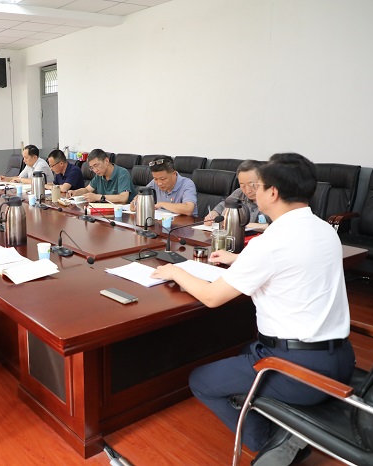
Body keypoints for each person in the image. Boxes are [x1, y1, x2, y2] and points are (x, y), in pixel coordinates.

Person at [150, 153, 354, 466]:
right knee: (246, 349)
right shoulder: (325, 229)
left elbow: (212, 297)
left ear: (273, 193)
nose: (252, 193)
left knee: (201, 381)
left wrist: (175, 271)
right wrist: (240, 260)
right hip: (342, 360)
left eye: (257, 187)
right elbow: (292, 266)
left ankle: (272, 443)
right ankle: (285, 422)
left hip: (299, 372)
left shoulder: (269, 243)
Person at [204, 159, 270, 229]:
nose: (247, 191)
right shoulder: (239, 193)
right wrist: (213, 215)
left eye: (251, 185)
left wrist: (245, 225)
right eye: (243, 185)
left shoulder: (273, 198)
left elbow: (277, 226)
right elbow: (222, 206)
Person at [130, 156, 197, 216]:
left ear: (174, 174)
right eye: (155, 179)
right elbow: (141, 195)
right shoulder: (154, 182)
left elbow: (188, 209)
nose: (159, 183)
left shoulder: (187, 184)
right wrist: (135, 203)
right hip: (161, 223)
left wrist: (161, 204)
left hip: (185, 224)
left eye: (163, 179)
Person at [67, 149, 136, 203]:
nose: (95, 170)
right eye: (92, 168)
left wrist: (98, 197)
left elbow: (123, 198)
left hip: (122, 213)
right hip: (104, 211)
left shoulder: (122, 173)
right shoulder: (99, 175)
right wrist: (75, 192)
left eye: (96, 165)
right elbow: (87, 189)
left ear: (106, 161)